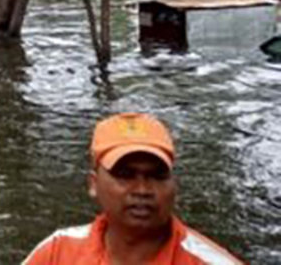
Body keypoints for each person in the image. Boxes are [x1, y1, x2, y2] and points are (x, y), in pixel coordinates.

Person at [23, 113, 242, 264]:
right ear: (93, 184)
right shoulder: (57, 252)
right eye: (125, 175)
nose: (143, 189)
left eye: (157, 175)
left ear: (174, 185)